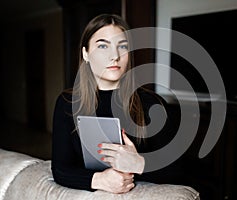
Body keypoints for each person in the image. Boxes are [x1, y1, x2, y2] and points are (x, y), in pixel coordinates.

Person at [51, 13, 178, 194]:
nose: (115, 56)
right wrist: (99, 180)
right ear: (85, 53)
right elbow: (60, 169)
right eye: (103, 46)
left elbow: (178, 170)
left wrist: (140, 164)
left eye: (122, 46)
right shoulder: (67, 103)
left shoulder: (152, 103)